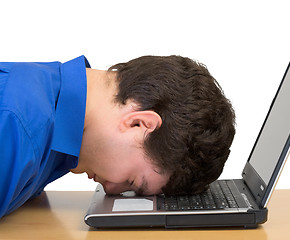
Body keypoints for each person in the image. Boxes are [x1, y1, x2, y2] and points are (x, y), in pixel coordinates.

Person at [0, 55, 236, 219]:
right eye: (132, 181)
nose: (112, 190)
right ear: (139, 123)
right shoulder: (15, 127)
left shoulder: (58, 115)